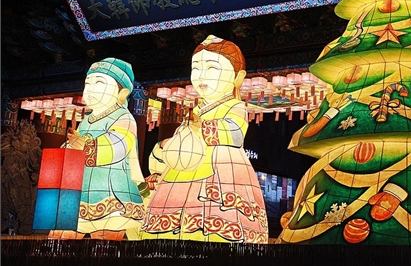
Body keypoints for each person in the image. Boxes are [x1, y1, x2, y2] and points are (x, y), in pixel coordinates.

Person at [141, 35, 268, 243]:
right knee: (172, 223)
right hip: (182, 173)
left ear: (238, 77)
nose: (202, 76)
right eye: (196, 69)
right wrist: (164, 149)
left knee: (215, 222)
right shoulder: (194, 112)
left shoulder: (235, 106)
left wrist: (202, 128)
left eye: (212, 69)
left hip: (221, 171)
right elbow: (180, 146)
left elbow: (235, 132)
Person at [49, 58, 147, 240]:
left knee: (104, 243)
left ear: (122, 92)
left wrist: (86, 147)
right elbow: (75, 146)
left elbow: (119, 144)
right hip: (79, 192)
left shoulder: (124, 117)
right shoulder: (86, 121)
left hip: (111, 193)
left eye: (100, 83)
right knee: (59, 240)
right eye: (87, 84)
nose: (90, 89)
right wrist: (69, 148)